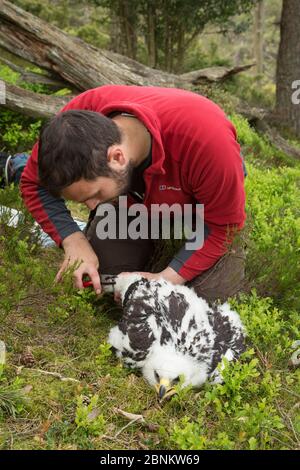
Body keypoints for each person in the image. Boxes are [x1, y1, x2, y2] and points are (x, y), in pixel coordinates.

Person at [20, 85, 247, 303]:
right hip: (135, 202)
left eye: (96, 194)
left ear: (117, 158)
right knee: (103, 277)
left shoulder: (207, 142)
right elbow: (33, 182)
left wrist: (166, 279)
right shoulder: (74, 126)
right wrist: (73, 240)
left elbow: (222, 225)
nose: (91, 206)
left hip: (198, 207)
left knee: (205, 298)